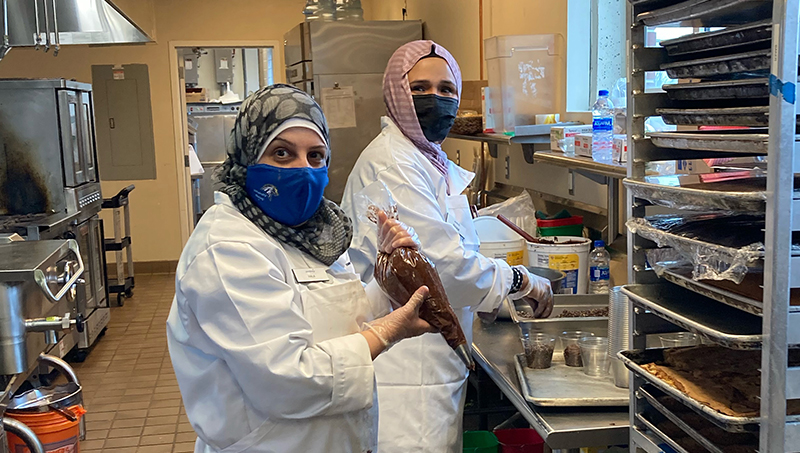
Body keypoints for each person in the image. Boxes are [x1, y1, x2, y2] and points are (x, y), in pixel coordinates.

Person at [166, 84, 435, 453]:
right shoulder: (228, 247)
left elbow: (336, 321)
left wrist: (386, 282)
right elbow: (285, 380)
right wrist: (386, 333)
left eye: (316, 157)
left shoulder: (316, 232)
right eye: (282, 154)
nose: (303, 171)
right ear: (247, 159)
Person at [341, 41, 554, 452]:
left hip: (431, 357)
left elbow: (451, 247)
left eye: (446, 89)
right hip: (407, 368)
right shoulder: (393, 162)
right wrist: (523, 281)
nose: (435, 99)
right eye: (419, 88)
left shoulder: (426, 159)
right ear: (395, 92)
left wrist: (494, 288)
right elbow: (442, 267)